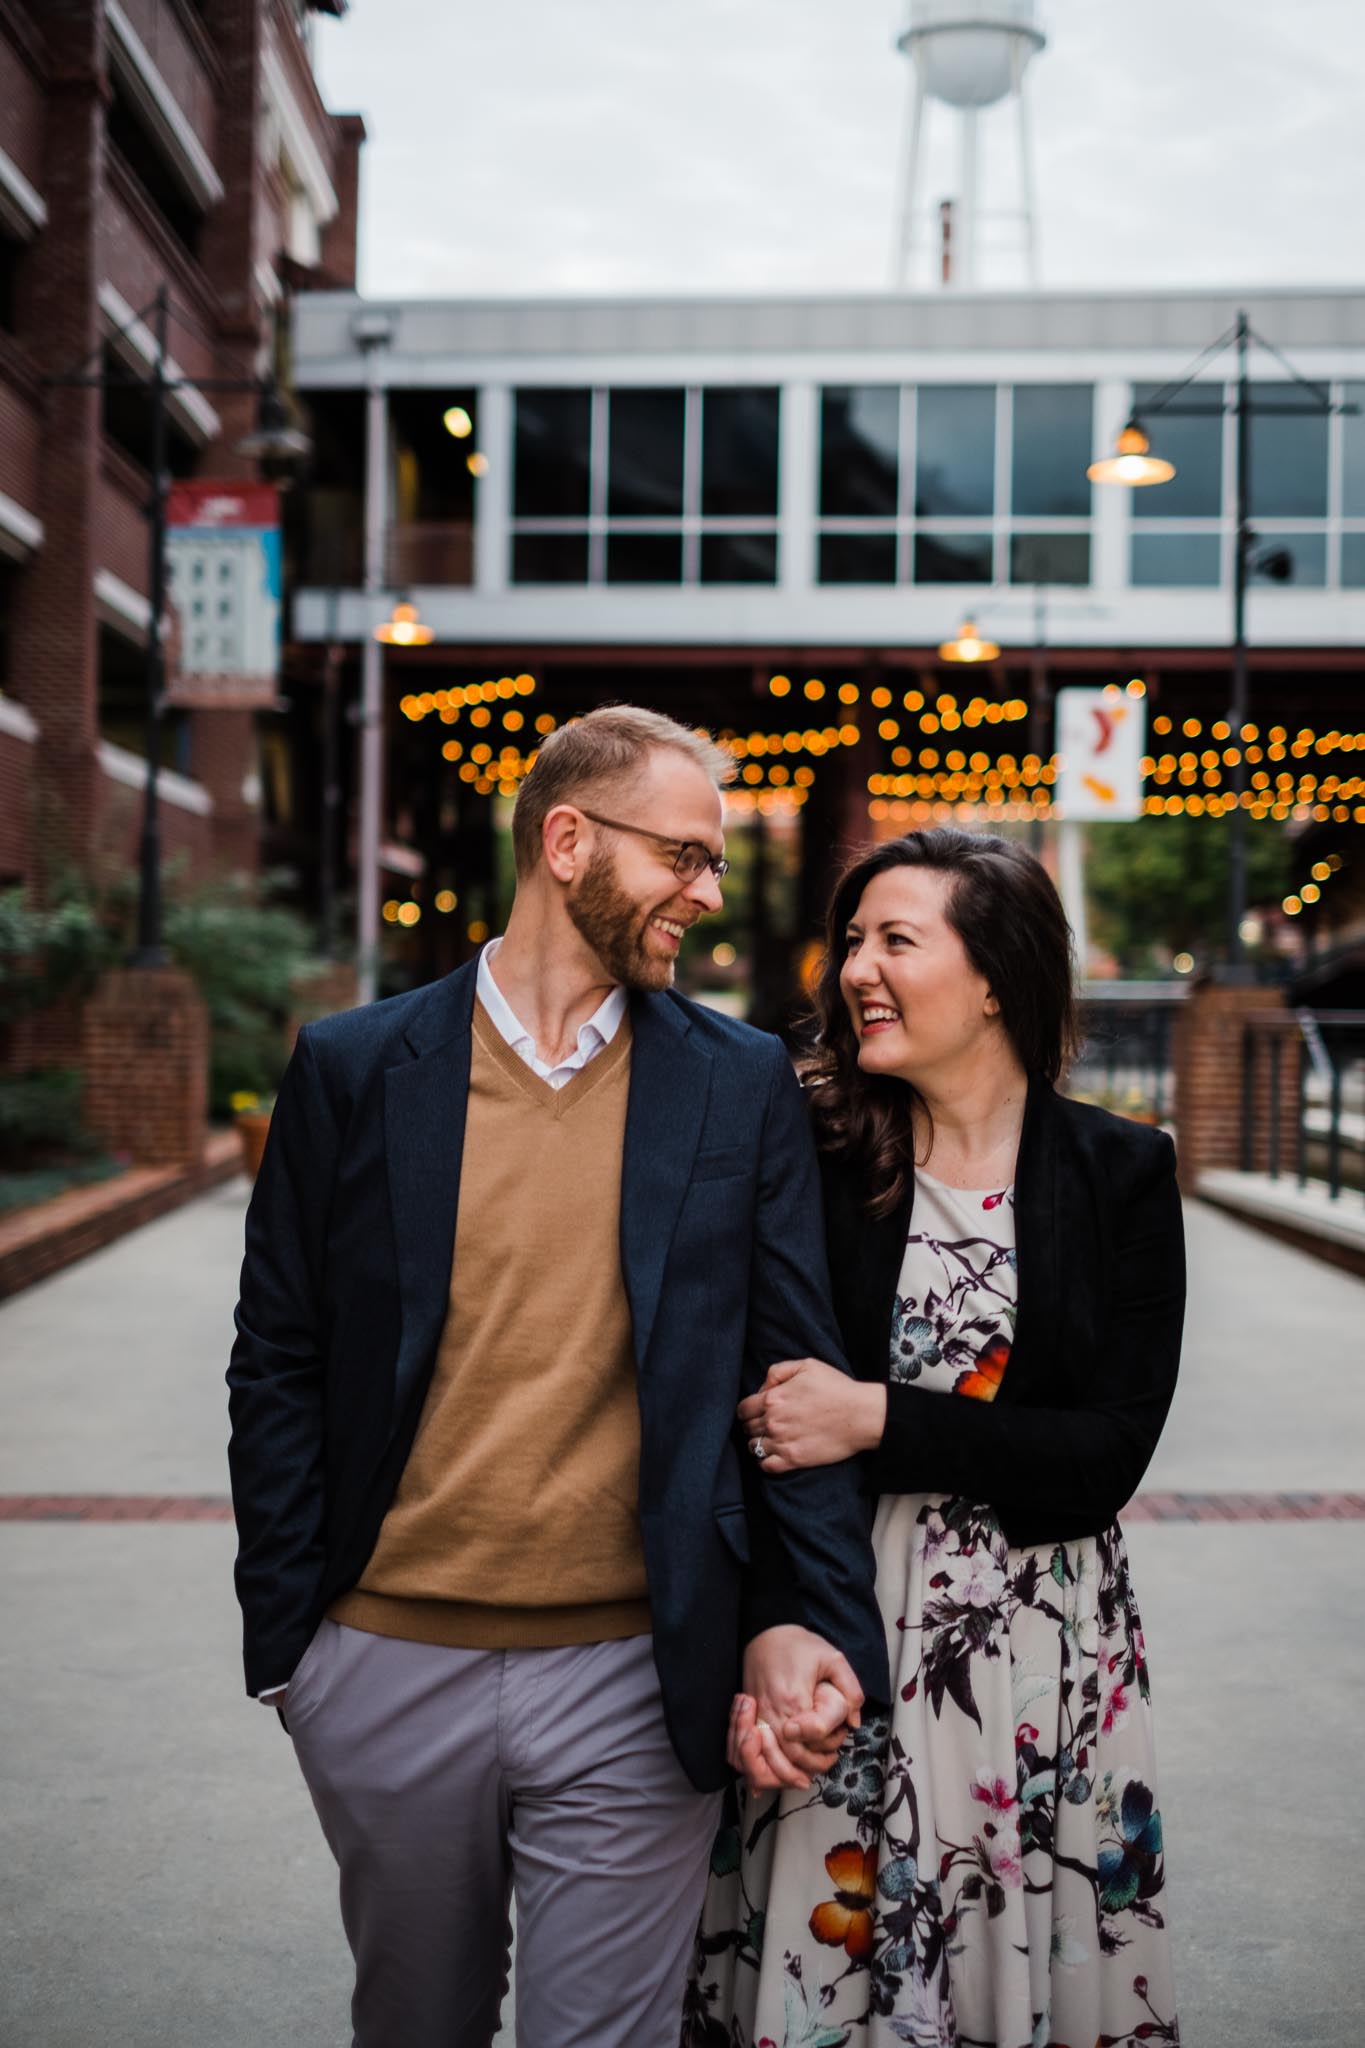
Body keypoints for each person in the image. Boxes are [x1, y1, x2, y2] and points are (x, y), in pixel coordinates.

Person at [227, 704, 890, 2048]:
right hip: (385, 1661)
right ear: (567, 840)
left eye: (713, 865)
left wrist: (811, 1616)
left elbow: (788, 1366)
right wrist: (293, 1648)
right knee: (417, 2026)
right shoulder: (356, 1069)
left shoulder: (739, 1079)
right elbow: (281, 1355)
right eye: (684, 857)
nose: (705, 895)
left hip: (636, 1672)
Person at [690, 827, 1184, 2048]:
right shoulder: (812, 1150)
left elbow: (1104, 1455)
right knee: (830, 1952)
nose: (857, 966)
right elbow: (752, 1413)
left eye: (896, 940)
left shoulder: (1121, 1170)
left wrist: (873, 1415)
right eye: (851, 939)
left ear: (997, 976)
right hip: (835, 1613)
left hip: (1040, 1643)